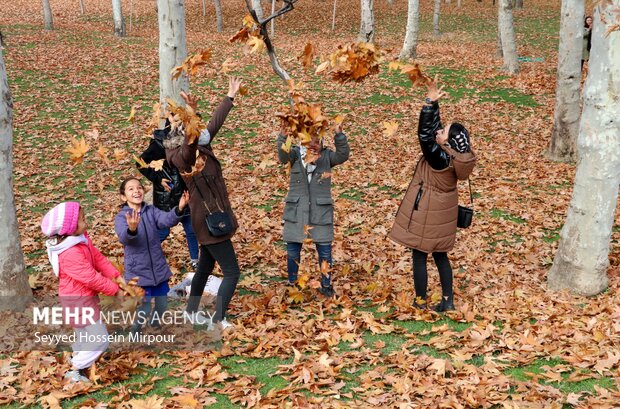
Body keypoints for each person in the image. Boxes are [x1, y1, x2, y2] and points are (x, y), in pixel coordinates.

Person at [388, 77, 477, 312]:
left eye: (445, 130)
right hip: (443, 212)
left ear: (447, 141)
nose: (441, 129)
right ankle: (448, 300)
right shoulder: (458, 157)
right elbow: (434, 133)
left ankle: (420, 300)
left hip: (429, 211)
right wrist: (435, 106)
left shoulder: (440, 158)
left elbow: (426, 136)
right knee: (440, 255)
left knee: (419, 254)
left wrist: (428, 103)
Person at [165, 77, 243, 329]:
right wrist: (191, 113)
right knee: (232, 272)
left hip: (211, 217)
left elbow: (212, 126)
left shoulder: (201, 145)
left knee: (204, 269)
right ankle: (218, 320)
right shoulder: (182, 156)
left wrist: (229, 97)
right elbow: (189, 142)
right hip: (209, 221)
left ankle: (190, 312)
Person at [41, 201, 122, 383]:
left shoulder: (80, 239)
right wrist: (114, 290)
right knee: (100, 338)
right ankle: (76, 367)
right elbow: (90, 277)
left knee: (84, 334)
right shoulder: (69, 253)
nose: (86, 222)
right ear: (69, 227)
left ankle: (78, 362)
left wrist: (115, 276)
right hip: (77, 301)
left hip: (84, 298)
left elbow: (97, 258)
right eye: (82, 219)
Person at [276, 122, 350, 297]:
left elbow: (343, 155)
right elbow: (282, 155)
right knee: (293, 249)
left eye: (317, 141)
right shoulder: (294, 155)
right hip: (296, 211)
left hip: (320, 212)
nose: (314, 145)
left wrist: (339, 135)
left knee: (324, 250)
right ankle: (292, 283)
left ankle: (326, 285)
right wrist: (283, 136)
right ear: (302, 142)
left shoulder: (326, 157)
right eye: (310, 141)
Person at [114, 177, 189, 333]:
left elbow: (165, 220)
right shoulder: (122, 217)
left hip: (158, 268)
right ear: (123, 196)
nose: (136, 191)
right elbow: (124, 237)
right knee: (144, 307)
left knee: (162, 306)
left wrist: (179, 209)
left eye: (139, 187)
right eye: (131, 189)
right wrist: (132, 229)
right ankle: (135, 332)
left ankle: (154, 324)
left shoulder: (151, 211)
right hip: (138, 272)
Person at [138, 119, 199, 271]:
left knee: (191, 229)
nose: (178, 122)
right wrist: (158, 178)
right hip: (167, 194)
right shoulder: (160, 142)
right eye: (174, 118)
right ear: (168, 120)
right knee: (163, 230)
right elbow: (140, 162)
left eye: (181, 119)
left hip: (185, 193)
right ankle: (144, 254)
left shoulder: (189, 139)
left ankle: (195, 260)